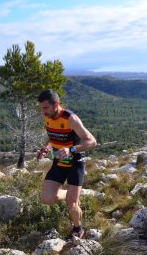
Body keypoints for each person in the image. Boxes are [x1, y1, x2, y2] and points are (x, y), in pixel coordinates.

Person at [36, 89, 97, 239]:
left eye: (45, 108)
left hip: (76, 162)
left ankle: (78, 228)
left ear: (56, 104)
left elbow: (92, 141)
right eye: (41, 108)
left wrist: (71, 149)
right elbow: (52, 135)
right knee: (47, 198)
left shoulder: (71, 119)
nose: (42, 112)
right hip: (59, 161)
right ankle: (71, 195)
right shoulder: (47, 116)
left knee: (72, 205)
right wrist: (46, 148)